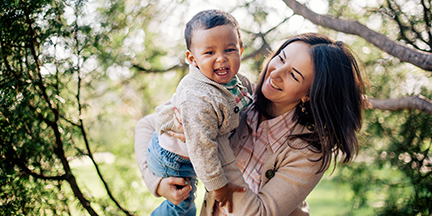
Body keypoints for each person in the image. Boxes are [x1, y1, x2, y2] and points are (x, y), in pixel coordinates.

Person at [135, 32, 366, 215]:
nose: (275, 73)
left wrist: (212, 137)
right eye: (281, 58)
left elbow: (258, 213)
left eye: (294, 75)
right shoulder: (235, 98)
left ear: (310, 94)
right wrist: (157, 182)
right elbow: (146, 125)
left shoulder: (308, 151)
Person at [143, 9, 253, 216]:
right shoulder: (199, 98)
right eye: (210, 53)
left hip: (189, 153)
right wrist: (218, 187)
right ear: (192, 59)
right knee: (182, 205)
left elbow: (250, 94)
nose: (221, 59)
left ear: (241, 49)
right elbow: (202, 150)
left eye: (229, 50)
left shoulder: (237, 81)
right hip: (173, 158)